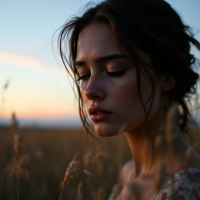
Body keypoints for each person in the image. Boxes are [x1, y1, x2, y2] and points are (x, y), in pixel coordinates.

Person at [57, 0, 200, 199]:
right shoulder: (128, 173)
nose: (90, 90)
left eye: (114, 70)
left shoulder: (187, 190)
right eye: (83, 74)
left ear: (168, 74)